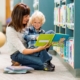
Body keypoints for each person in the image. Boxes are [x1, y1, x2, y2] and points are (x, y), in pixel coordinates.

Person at [6, 3, 54, 71]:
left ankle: (41, 57)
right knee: (42, 63)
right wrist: (38, 49)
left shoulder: (27, 21)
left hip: (30, 47)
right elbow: (23, 51)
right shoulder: (10, 30)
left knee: (51, 33)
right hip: (18, 53)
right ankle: (20, 62)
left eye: (28, 15)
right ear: (18, 16)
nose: (28, 18)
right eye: (25, 16)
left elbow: (37, 18)